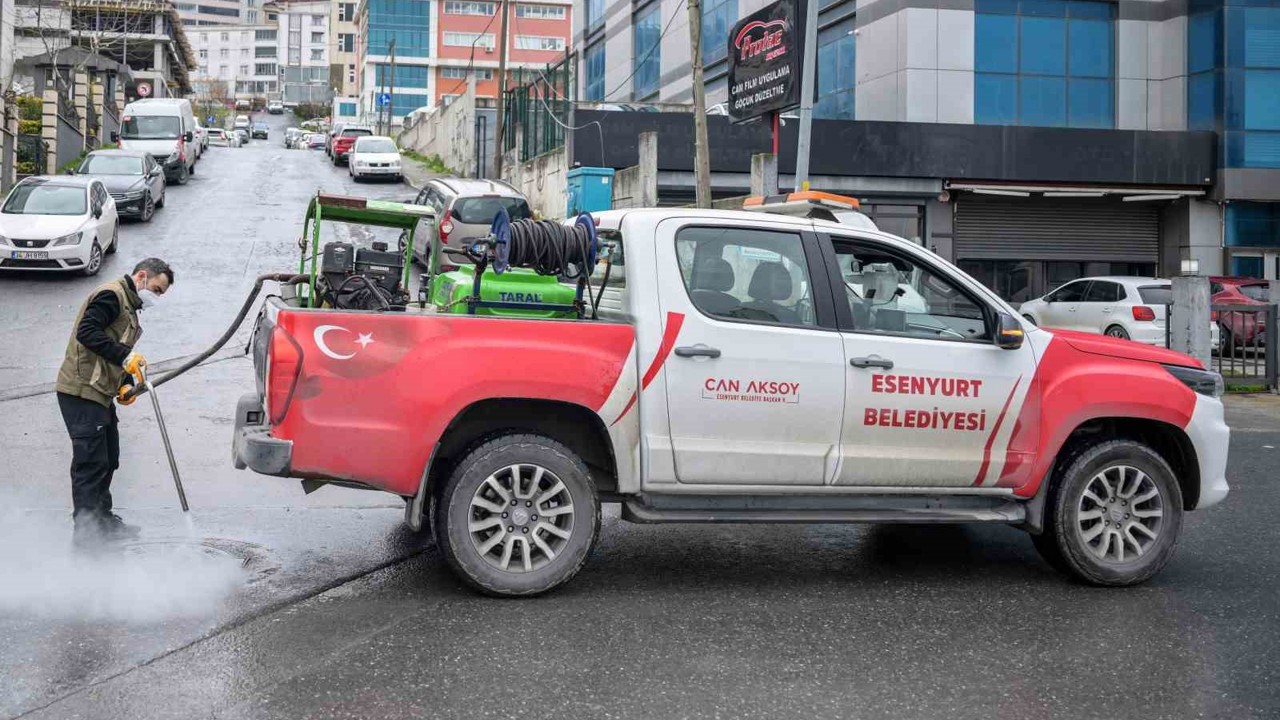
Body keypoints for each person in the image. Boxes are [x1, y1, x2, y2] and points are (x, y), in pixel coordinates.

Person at [55, 258, 174, 544]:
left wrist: (125, 383)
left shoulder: (129, 305)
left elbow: (113, 349)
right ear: (142, 276)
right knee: (91, 464)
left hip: (100, 392)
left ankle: (103, 522)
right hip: (81, 390)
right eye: (156, 289)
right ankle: (86, 536)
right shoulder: (111, 295)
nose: (156, 297)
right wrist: (125, 357)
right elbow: (87, 332)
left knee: (109, 458)